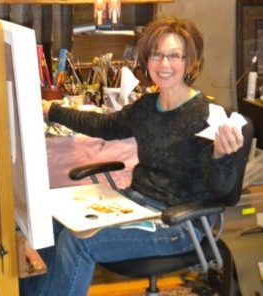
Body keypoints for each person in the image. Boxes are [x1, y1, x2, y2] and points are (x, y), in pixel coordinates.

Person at [20, 15, 244, 295]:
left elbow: (222, 193)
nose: (164, 64)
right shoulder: (148, 105)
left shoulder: (206, 116)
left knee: (78, 243)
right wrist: (51, 110)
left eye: (174, 56)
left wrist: (222, 156)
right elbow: (103, 125)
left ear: (189, 61)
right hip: (136, 205)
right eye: (156, 55)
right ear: (147, 59)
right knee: (50, 224)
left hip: (178, 223)